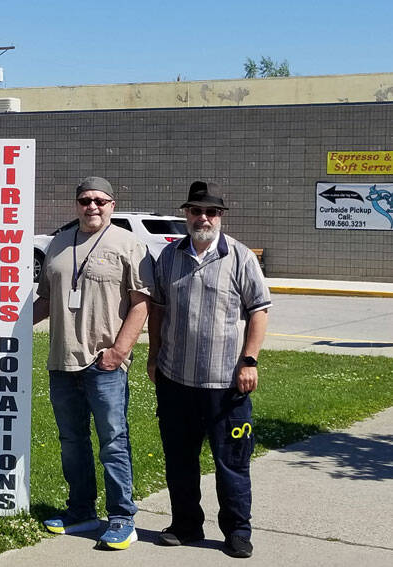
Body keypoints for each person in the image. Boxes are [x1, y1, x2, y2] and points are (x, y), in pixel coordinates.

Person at [147, 181, 271, 559]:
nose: (204, 218)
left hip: (226, 384)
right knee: (179, 461)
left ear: (220, 216)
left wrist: (249, 360)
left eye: (211, 212)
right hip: (176, 381)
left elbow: (259, 310)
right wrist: (154, 356)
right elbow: (159, 310)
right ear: (186, 213)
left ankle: (237, 531)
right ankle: (186, 525)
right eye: (197, 211)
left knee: (231, 463)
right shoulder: (168, 258)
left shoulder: (240, 257)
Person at [33, 176, 152, 550]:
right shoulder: (57, 243)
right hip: (61, 362)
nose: (92, 207)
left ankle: (121, 517)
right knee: (72, 442)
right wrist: (4, 326)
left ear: (112, 204)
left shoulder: (128, 244)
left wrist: (119, 352)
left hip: (104, 366)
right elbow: (46, 299)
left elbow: (141, 302)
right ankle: (81, 511)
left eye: (100, 200)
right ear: (77, 204)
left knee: (113, 442)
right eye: (85, 200)